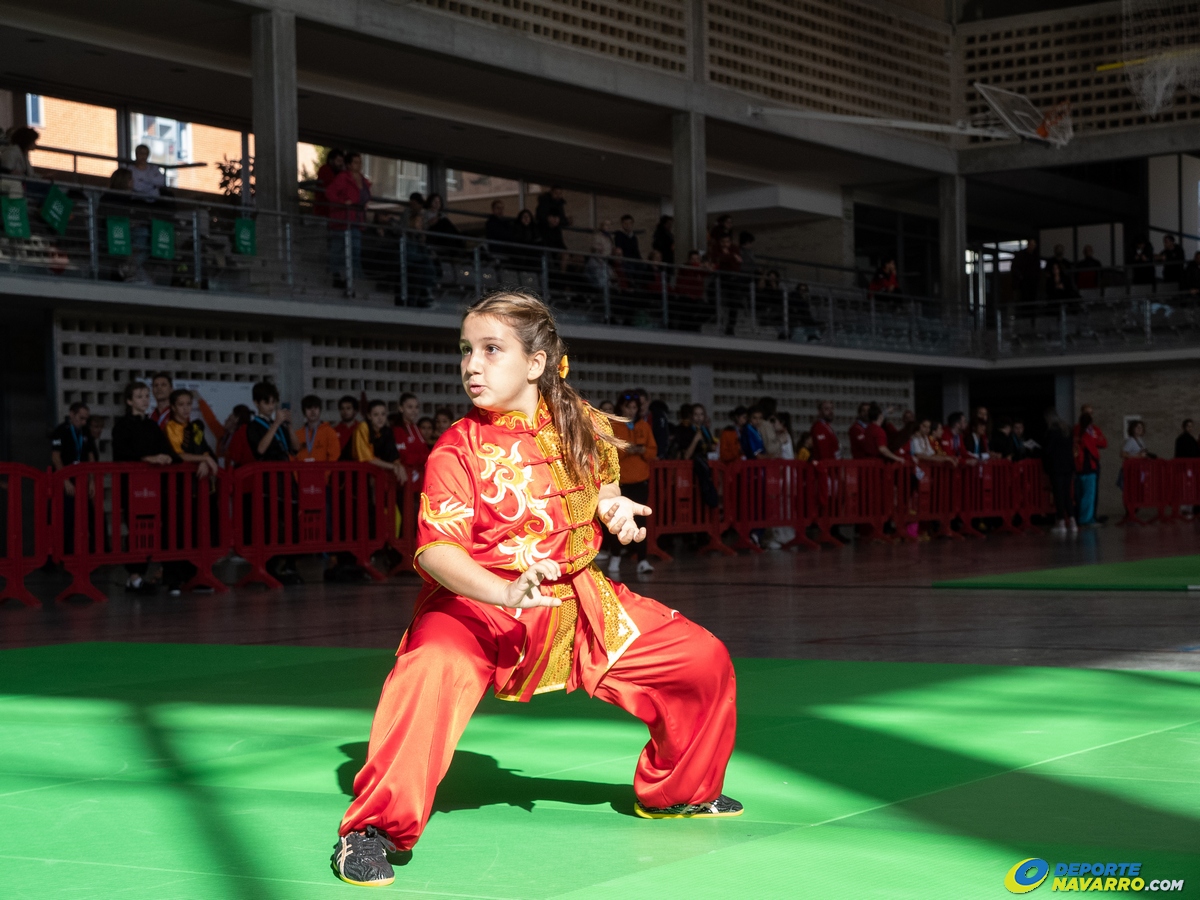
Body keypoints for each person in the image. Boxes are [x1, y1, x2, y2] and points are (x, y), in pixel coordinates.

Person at [332, 292, 740, 887]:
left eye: (491, 350)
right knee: (429, 668)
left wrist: (614, 508)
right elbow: (435, 550)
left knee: (702, 660)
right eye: (466, 350)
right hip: (476, 607)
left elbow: (596, 492)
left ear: (537, 362)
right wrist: (500, 594)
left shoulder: (585, 428)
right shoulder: (457, 447)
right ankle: (369, 831)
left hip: (578, 602)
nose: (472, 364)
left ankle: (678, 791)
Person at [111, 380, 180, 595]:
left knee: (155, 528)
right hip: (132, 486)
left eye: (146, 396)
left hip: (153, 487)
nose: (144, 400)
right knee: (135, 528)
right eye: (139, 396)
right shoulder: (121, 425)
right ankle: (134, 576)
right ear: (129, 400)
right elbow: (121, 453)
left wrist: (169, 458)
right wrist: (148, 458)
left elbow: (166, 449)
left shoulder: (151, 425)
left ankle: (156, 575)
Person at [606, 390, 658, 578]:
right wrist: (628, 449)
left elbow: (653, 451)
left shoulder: (644, 426)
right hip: (620, 482)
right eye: (628, 407)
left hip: (640, 481)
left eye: (635, 407)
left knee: (641, 520)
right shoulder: (614, 426)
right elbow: (610, 452)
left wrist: (642, 450)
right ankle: (615, 556)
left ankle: (642, 560)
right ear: (621, 407)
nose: (632, 410)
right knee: (616, 520)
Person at [51, 402, 99, 555]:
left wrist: (92, 480)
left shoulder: (85, 432)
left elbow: (91, 457)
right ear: (71, 414)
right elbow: (56, 457)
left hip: (82, 479)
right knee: (66, 518)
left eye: (86, 419)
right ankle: (62, 555)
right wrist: (64, 480)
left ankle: (80, 553)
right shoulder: (60, 431)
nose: (84, 422)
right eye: (81, 418)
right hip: (66, 480)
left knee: (84, 518)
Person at [326, 151, 371, 288]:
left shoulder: (363, 180)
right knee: (339, 249)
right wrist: (342, 202)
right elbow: (330, 193)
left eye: (360, 162)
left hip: (356, 220)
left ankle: (351, 276)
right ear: (349, 164)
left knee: (355, 249)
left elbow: (364, 196)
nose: (359, 165)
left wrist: (366, 204)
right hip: (343, 219)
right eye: (356, 162)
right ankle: (337, 276)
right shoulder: (343, 178)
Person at [349, 399, 407, 483]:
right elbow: (367, 458)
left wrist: (399, 466)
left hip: (368, 475)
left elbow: (392, 455)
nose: (380, 418)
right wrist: (393, 467)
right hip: (350, 473)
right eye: (376, 415)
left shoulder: (387, 431)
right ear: (369, 416)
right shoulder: (363, 428)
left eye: (383, 414)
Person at [1043, 409, 1077, 534]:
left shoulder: (1052, 432)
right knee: (1067, 493)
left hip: (1056, 467)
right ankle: (1073, 521)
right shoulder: (1067, 430)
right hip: (1068, 466)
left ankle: (1061, 521)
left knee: (1058, 494)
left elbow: (1048, 450)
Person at [1073, 407, 1107, 526]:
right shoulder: (1081, 431)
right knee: (1087, 494)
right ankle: (1086, 518)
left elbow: (1104, 443)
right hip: (1085, 466)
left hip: (1084, 466)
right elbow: (1092, 445)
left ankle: (1088, 516)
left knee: (1086, 494)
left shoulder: (1093, 430)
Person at [393, 392, 431, 484]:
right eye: (410, 407)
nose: (414, 410)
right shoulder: (398, 430)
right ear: (401, 408)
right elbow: (404, 457)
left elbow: (424, 450)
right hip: (406, 477)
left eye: (416, 407)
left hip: (420, 475)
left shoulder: (416, 428)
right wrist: (426, 458)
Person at [295, 394, 342, 462]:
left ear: (320, 410)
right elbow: (293, 457)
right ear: (303, 411)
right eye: (309, 408)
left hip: (323, 471)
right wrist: (297, 472)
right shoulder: (297, 434)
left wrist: (325, 472)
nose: (313, 411)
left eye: (316, 408)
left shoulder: (329, 432)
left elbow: (334, 455)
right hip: (302, 471)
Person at [1, 126, 38, 198]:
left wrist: (42, 177)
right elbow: (6, 170)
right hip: (20, 183)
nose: (35, 144)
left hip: (24, 183)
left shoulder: (23, 154)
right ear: (27, 141)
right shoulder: (13, 151)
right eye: (33, 141)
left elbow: (30, 175)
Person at [313, 148, 345, 218]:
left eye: (342, 162)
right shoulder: (325, 170)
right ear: (331, 161)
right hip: (324, 212)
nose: (341, 164)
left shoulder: (340, 173)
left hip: (333, 212)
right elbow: (332, 186)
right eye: (339, 161)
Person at [1011, 239, 1041, 307]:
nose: (1032, 246)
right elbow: (1015, 268)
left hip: (1033, 283)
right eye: (1031, 244)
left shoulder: (1035, 256)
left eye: (1033, 245)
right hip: (1023, 283)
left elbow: (1037, 269)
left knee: (1032, 299)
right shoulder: (1021, 255)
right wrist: (1021, 277)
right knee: (1024, 299)